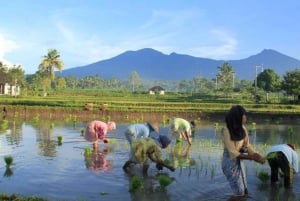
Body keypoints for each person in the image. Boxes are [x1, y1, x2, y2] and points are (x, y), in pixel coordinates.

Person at [221, 105, 265, 201]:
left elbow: (247, 145)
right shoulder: (227, 131)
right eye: (244, 115)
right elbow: (233, 152)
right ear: (238, 117)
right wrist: (252, 157)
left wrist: (256, 155)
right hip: (229, 163)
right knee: (239, 194)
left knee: (244, 191)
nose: (246, 117)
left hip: (240, 162)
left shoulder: (243, 129)